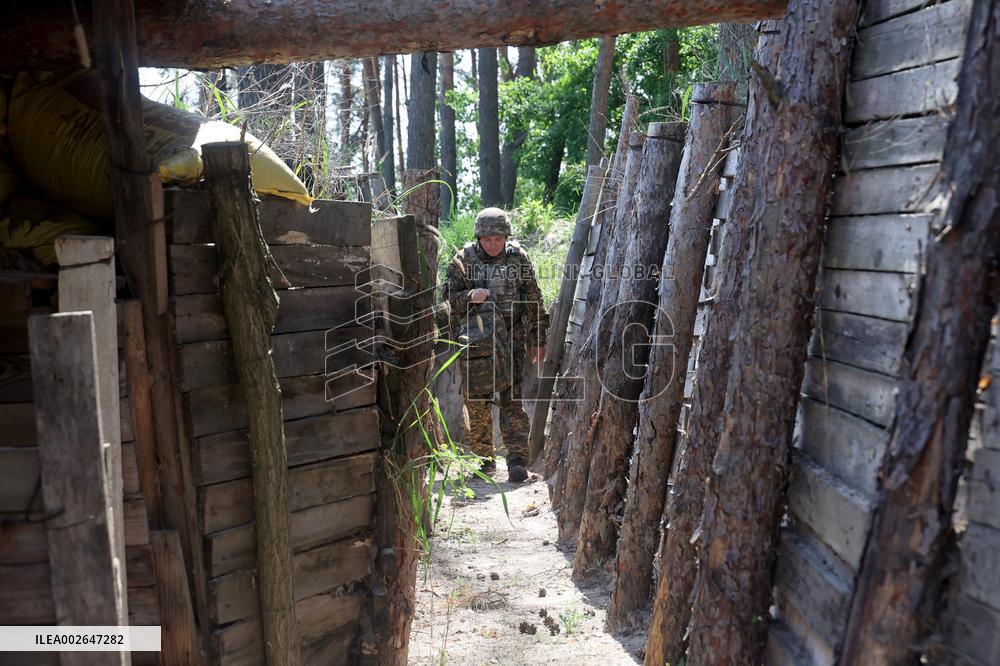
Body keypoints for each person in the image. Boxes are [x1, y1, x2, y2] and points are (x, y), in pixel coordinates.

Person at [442, 208, 549, 483]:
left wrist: (538, 340)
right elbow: (446, 302)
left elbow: (534, 300)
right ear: (479, 237)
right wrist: (469, 296)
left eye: (498, 239)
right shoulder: (463, 260)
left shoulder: (518, 259)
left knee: (512, 400)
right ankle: (483, 460)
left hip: (512, 340)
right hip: (476, 344)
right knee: (477, 402)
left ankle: (516, 460)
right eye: (487, 239)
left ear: (505, 237)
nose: (492, 244)